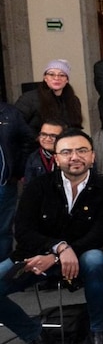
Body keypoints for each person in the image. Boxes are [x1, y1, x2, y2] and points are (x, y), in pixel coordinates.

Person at [0, 129, 103, 344]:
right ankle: (37, 337)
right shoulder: (38, 186)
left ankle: (98, 333)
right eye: (67, 151)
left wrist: (56, 255)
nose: (75, 156)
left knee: (96, 260)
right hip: (33, 257)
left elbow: (100, 234)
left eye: (82, 150)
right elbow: (22, 230)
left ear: (92, 156)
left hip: (82, 258)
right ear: (56, 158)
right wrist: (58, 249)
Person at [0, 100, 33, 258]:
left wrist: (18, 168)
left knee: (3, 230)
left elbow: (28, 139)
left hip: (4, 183)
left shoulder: (10, 113)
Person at [14, 59, 84, 131]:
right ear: (45, 78)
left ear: (67, 80)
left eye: (62, 75)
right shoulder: (29, 98)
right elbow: (16, 124)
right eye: (51, 74)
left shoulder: (73, 100)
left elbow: (76, 126)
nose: (56, 78)